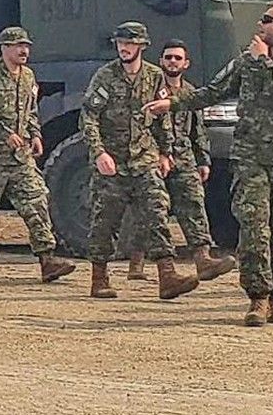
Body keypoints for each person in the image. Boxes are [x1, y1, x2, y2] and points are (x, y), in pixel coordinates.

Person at [146, 0, 273, 326]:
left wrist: (262, 62)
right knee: (253, 229)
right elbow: (212, 92)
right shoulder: (245, 62)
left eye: (267, 20)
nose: (260, 25)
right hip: (250, 159)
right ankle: (257, 298)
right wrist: (172, 103)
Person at [81, 21, 199, 300]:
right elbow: (88, 117)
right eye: (121, 43)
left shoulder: (155, 77)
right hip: (113, 161)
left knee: (157, 213)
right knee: (105, 220)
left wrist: (165, 152)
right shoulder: (105, 77)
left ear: (142, 46)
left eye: (130, 43)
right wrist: (99, 153)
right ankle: (99, 277)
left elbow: (162, 117)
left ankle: (167, 276)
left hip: (144, 158)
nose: (124, 48)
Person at [0, 26, 76, 283]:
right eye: (18, 46)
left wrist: (35, 134)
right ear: (4, 48)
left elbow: (30, 110)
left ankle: (47, 260)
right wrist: (5, 133)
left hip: (20, 156)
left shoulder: (28, 77)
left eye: (26, 46)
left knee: (36, 201)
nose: (24, 50)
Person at [124, 39, 235, 282]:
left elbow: (199, 130)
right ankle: (137, 262)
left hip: (184, 158)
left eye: (177, 58)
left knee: (194, 204)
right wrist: (157, 153)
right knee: (152, 209)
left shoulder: (190, 93)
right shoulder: (149, 87)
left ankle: (203, 259)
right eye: (168, 57)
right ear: (161, 61)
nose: (172, 62)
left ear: (186, 63)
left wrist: (203, 160)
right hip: (152, 156)